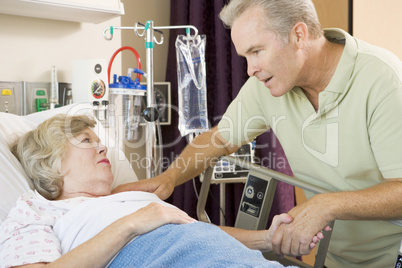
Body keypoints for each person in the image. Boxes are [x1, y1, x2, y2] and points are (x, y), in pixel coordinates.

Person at [113, 0, 402, 267]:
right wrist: (168, 179)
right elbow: (219, 139)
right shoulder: (267, 87)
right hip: (337, 259)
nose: (251, 69)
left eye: (256, 51)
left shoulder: (382, 80)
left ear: (298, 35)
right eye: (244, 56)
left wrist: (328, 204)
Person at [0, 114, 324, 268]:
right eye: (87, 141)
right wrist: (132, 223)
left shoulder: (125, 197)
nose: (103, 148)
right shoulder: (35, 209)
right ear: (52, 163)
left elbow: (195, 232)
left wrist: (269, 238)